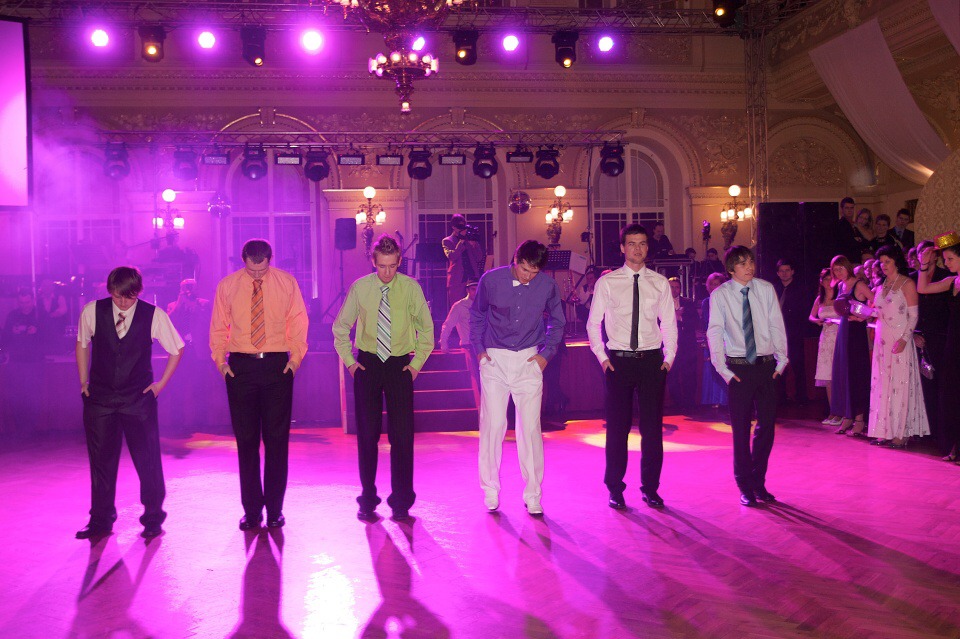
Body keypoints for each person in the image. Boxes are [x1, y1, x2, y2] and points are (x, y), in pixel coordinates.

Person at [75, 266, 184, 539]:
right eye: (117, 296)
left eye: (129, 297)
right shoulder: (92, 311)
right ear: (109, 290)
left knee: (148, 460)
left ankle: (153, 518)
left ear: (139, 292)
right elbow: (82, 343)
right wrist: (83, 381)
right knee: (101, 462)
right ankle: (100, 519)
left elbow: (177, 348)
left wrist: (160, 385)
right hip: (100, 399)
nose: (123, 302)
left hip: (138, 399)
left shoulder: (153, 314)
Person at [333, 235, 434, 522]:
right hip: (367, 366)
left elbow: (427, 330)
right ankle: (367, 499)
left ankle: (401, 502)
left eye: (392, 266)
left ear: (399, 261)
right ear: (373, 262)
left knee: (402, 437)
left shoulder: (411, 289)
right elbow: (340, 327)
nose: (387, 272)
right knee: (367, 436)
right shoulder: (360, 288)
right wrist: (351, 364)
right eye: (382, 266)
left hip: (400, 367)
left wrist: (415, 366)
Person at [210, 239, 308, 531]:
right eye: (252, 270)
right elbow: (218, 327)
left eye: (262, 269)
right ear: (243, 260)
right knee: (246, 441)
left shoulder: (286, 283)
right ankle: (252, 511)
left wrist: (294, 360)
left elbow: (298, 321)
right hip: (240, 367)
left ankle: (275, 510)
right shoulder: (227, 286)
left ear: (269, 260)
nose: (257, 275)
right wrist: (222, 363)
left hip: (276, 365)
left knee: (277, 441)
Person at [470, 240, 565, 516]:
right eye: (524, 269)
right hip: (495, 360)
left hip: (528, 361)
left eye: (534, 272)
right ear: (515, 260)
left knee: (531, 429)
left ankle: (533, 494)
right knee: (493, 425)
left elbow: (558, 321)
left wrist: (546, 354)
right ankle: (490, 490)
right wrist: (479, 350)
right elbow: (476, 315)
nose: (528, 276)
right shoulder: (491, 280)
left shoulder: (547, 285)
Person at [587, 224, 676, 510]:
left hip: (652, 362)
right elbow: (593, 323)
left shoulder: (659, 283)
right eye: (632, 243)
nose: (637, 248)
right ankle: (615, 488)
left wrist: (668, 358)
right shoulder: (608, 282)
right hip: (618, 362)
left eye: (642, 243)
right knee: (617, 429)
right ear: (622, 248)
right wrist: (603, 358)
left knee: (652, 430)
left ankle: (651, 488)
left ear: (648, 247)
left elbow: (669, 324)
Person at [707, 246, 787, 507]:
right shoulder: (720, 295)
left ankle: (758, 481)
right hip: (739, 368)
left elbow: (776, 325)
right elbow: (715, 331)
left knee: (767, 427)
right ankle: (744, 484)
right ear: (731, 269)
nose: (749, 267)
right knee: (740, 429)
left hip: (766, 366)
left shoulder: (765, 289)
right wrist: (723, 369)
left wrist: (781, 361)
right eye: (742, 263)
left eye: (751, 261)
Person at [868, 245, 929, 447]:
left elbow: (914, 315)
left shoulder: (907, 283)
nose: (883, 265)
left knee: (900, 384)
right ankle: (884, 430)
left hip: (899, 338)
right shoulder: (881, 285)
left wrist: (904, 339)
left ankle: (902, 433)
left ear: (896, 261)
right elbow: (878, 312)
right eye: (881, 262)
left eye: (887, 261)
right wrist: (862, 312)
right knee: (883, 384)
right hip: (882, 340)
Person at [918, 235, 960, 463]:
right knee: (951, 394)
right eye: (945, 259)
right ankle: (955, 445)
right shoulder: (952, 282)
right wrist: (924, 265)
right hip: (953, 341)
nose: (947, 263)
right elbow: (922, 287)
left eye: (951, 259)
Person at [911, 239, 951, 454]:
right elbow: (909, 310)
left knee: (941, 384)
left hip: (942, 336)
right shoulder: (912, 278)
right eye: (921, 253)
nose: (925, 256)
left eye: (928, 253)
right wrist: (914, 333)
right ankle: (926, 429)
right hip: (919, 337)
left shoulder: (947, 276)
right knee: (923, 385)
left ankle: (941, 432)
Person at [829, 254, 874, 437]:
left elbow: (875, 304)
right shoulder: (841, 286)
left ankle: (860, 419)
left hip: (856, 332)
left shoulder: (859, 284)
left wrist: (863, 317)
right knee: (844, 373)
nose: (838, 272)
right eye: (835, 270)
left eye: (840, 268)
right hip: (844, 330)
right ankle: (848, 416)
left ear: (847, 267)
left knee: (857, 374)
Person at [773, 258, 810, 404]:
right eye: (781, 271)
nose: (784, 273)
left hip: (794, 332)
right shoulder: (773, 289)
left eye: (787, 270)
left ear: (792, 271)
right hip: (777, 333)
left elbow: (804, 311)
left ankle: (801, 397)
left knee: (798, 364)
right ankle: (780, 397)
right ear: (777, 273)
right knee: (778, 365)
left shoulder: (800, 289)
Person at [808, 268, 840, 426]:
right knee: (827, 376)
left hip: (838, 336)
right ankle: (833, 411)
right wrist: (817, 321)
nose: (827, 282)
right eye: (824, 279)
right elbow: (811, 316)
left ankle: (841, 412)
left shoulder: (840, 296)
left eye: (830, 279)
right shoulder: (819, 299)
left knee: (838, 375)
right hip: (825, 337)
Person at [666, 277, 698, 411]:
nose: (674, 290)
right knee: (672, 376)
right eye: (671, 287)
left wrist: (679, 317)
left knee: (689, 375)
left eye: (677, 287)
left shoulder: (688, 302)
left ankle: (689, 404)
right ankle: (678, 403)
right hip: (670, 346)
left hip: (687, 345)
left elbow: (696, 322)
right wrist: (673, 315)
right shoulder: (662, 302)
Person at [442, 215, 484, 312]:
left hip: (471, 277)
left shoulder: (469, 239)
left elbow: (479, 258)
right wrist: (461, 242)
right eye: (459, 226)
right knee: (457, 308)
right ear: (453, 227)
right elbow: (452, 256)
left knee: (474, 307)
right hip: (457, 279)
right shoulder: (448, 241)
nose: (462, 229)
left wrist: (474, 245)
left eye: (463, 226)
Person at [700, 272, 729, 408]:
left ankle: (727, 400)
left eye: (716, 284)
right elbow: (707, 322)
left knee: (726, 368)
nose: (713, 287)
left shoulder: (728, 301)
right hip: (712, 339)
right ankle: (715, 399)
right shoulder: (706, 302)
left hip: (727, 339)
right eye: (711, 284)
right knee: (714, 369)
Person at [439, 279, 477, 352]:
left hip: (484, 346)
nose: (476, 292)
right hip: (468, 346)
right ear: (467, 290)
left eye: (478, 289)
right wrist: (443, 343)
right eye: (473, 289)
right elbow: (448, 325)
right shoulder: (459, 306)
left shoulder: (484, 305)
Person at [836, 197, 862, 264]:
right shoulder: (839, 225)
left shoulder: (855, 225)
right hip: (847, 261)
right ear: (842, 209)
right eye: (847, 208)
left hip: (855, 260)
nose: (849, 210)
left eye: (851, 208)